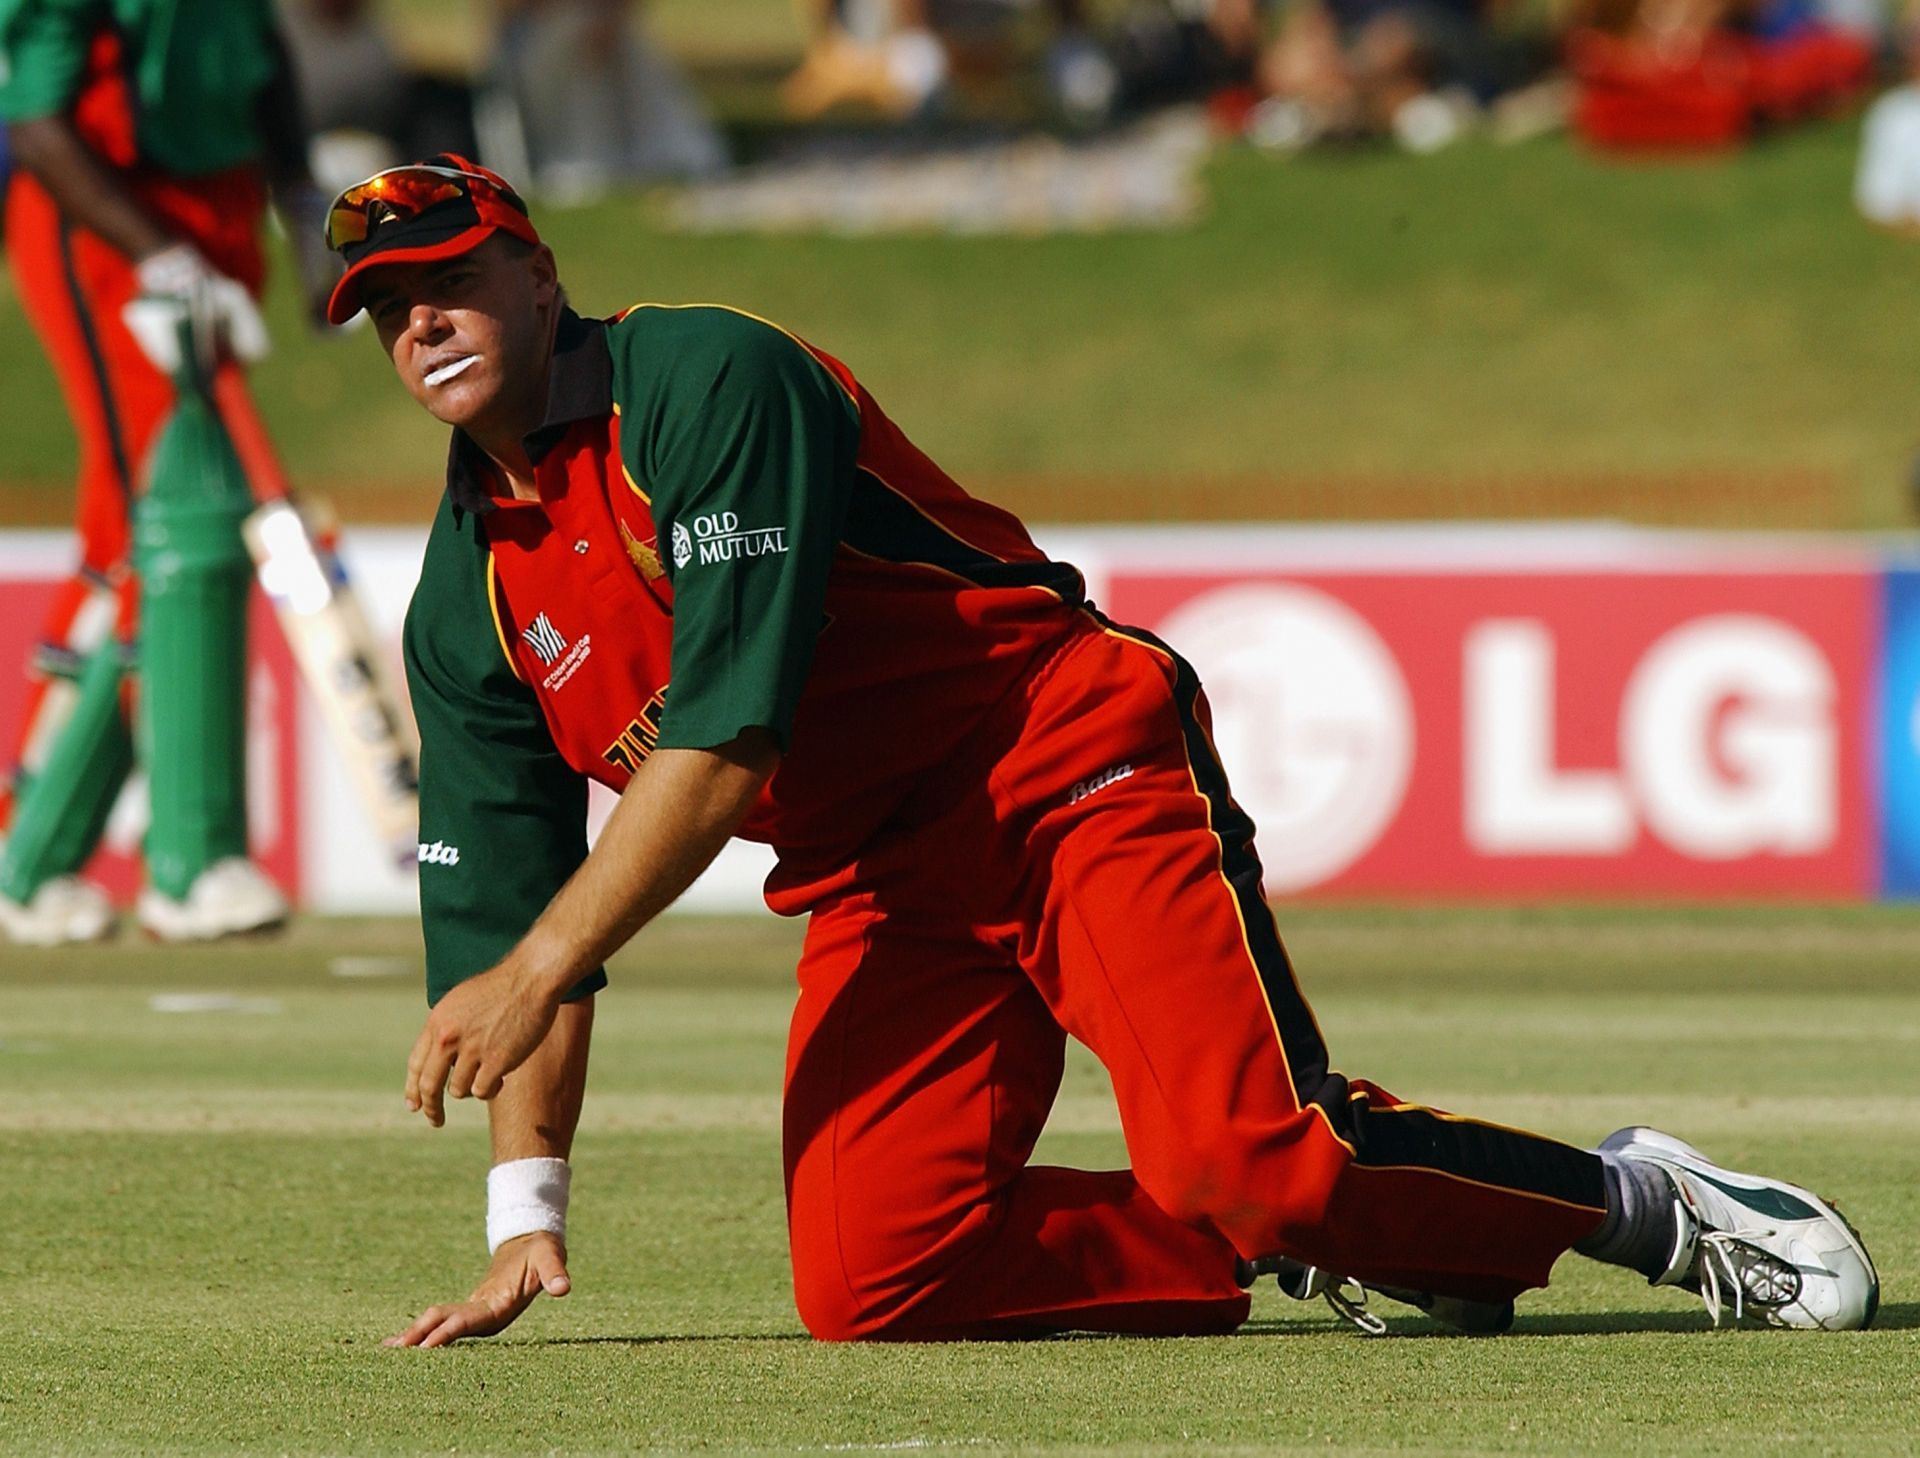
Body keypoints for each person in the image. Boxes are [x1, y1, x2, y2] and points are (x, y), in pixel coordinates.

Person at [321, 155, 1878, 1347]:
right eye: (388, 312)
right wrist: (527, 1206)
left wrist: (528, 971)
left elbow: (723, 742)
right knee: (877, 1276)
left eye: (451, 278)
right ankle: (1337, 1227)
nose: (423, 324)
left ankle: (1651, 1206)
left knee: (1261, 1149)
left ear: (537, 272)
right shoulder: (465, 607)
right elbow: (518, 940)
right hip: (881, 874)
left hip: (1062, 760)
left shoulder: (706, 382)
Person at [0, 0, 334, 941]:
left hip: (216, 210)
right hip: (109, 221)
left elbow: (262, 54)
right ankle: (185, 860)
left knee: (155, 532)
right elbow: (38, 125)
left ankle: (34, 855)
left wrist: (302, 202)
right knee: (150, 521)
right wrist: (162, 260)